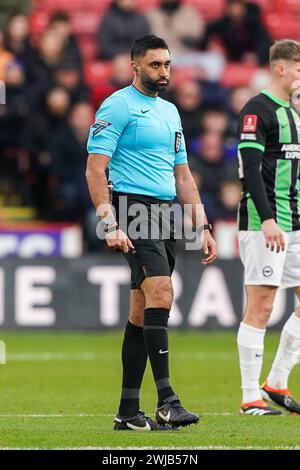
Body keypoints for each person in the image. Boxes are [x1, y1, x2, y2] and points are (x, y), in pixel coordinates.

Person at [86, 34, 217, 431]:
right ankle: (167, 402)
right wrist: (110, 223)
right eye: (156, 65)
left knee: (143, 310)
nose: (164, 72)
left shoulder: (171, 112)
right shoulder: (117, 105)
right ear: (135, 67)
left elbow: (183, 175)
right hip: (131, 208)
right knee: (162, 291)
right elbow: (95, 169)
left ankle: (127, 413)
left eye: (168, 64)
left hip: (164, 213)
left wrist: (203, 224)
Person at [237, 39, 300, 416]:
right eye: (298, 68)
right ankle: (249, 397)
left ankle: (277, 381)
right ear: (281, 68)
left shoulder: (293, 114)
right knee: (262, 306)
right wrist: (269, 220)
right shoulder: (257, 110)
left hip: (294, 223)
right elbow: (250, 171)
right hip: (266, 225)